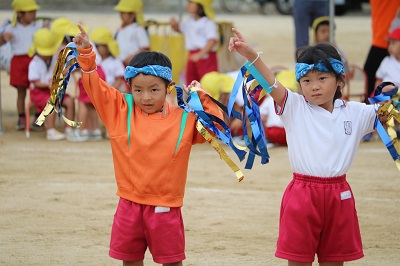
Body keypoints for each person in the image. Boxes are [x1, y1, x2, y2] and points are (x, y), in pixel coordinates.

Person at [229, 27, 396, 265]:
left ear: (340, 80)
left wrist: (391, 100)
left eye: (322, 78)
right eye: (306, 80)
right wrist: (250, 54)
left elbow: (390, 112)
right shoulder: (294, 106)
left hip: (340, 196)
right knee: (298, 261)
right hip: (302, 196)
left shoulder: (358, 112)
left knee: (335, 261)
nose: (314, 86)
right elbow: (270, 82)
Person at [73, 24, 224, 265]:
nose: (145, 97)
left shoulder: (184, 119)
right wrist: (86, 54)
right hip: (128, 205)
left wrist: (201, 97)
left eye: (154, 89)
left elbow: (217, 128)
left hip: (166, 208)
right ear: (129, 88)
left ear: (168, 87)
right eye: (138, 90)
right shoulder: (120, 110)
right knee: (130, 261)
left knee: (171, 261)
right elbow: (95, 86)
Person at [28, 28, 77, 141]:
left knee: (69, 101)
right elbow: (35, 82)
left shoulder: (55, 58)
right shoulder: (34, 63)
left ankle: (69, 129)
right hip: (39, 92)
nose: (48, 55)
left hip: (55, 90)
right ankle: (50, 130)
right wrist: (47, 85)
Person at [0, 0, 41, 130]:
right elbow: (1, 43)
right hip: (18, 61)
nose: (34, 14)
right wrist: (3, 36)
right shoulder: (11, 27)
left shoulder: (37, 27)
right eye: (31, 12)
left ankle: (36, 118)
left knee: (35, 91)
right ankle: (21, 117)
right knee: (21, 92)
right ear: (20, 13)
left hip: (33, 61)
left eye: (34, 11)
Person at [170, 0, 219, 84]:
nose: (188, 5)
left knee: (207, 83)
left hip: (206, 56)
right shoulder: (189, 21)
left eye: (191, 3)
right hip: (192, 55)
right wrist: (174, 25)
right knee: (191, 83)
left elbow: (212, 41)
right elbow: (180, 29)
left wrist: (200, 54)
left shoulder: (208, 23)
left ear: (200, 6)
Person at [363, 0, 400, 102]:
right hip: (382, 36)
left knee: (370, 73)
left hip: (383, 38)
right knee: (371, 74)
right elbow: (378, 80)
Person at [113, 0, 150, 66]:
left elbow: (145, 49)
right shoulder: (120, 30)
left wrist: (131, 59)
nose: (121, 15)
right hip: (119, 65)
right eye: (120, 12)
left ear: (133, 14)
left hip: (133, 65)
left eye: (124, 13)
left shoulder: (138, 29)